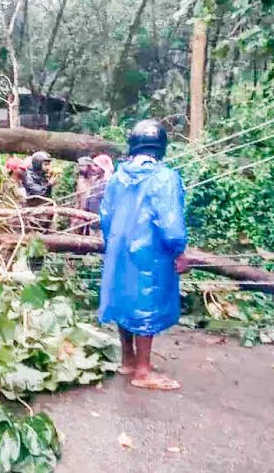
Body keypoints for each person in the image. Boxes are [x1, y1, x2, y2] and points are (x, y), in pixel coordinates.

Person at [99, 119, 188, 391]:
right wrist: (179, 251)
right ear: (161, 148)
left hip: (120, 248)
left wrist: (112, 243)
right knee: (147, 304)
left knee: (125, 298)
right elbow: (170, 222)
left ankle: (128, 360)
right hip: (151, 252)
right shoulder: (165, 178)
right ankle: (143, 371)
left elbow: (105, 217)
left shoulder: (117, 178)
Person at [75, 156, 106, 235]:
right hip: (82, 212)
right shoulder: (80, 180)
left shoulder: (98, 181)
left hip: (95, 215)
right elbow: (78, 198)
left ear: (89, 167)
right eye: (79, 166)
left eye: (82, 166)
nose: (80, 168)